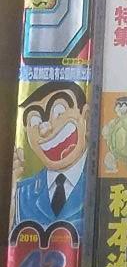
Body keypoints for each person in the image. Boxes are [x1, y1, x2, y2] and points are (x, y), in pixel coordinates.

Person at [11, 81, 90, 229]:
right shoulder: (21, 194)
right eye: (35, 121)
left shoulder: (104, 184)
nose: (44, 130)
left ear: (86, 118)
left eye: (59, 112)